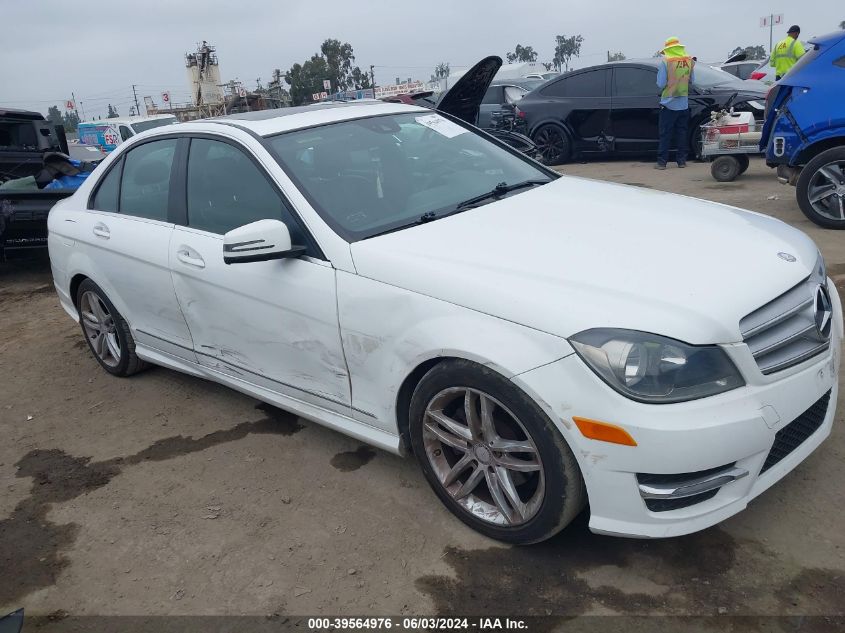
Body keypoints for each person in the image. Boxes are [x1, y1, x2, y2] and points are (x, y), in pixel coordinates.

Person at [655, 36, 695, 170]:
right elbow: (692, 81)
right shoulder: (689, 61)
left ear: (668, 49)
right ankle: (681, 161)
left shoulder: (666, 62)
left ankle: (662, 162)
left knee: (665, 134)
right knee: (682, 133)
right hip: (683, 103)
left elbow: (660, 84)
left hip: (668, 104)